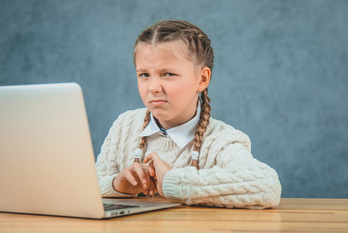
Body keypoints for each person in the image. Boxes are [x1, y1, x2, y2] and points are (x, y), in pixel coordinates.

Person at [95, 20, 281, 209]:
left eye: (168, 74)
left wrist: (174, 182)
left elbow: (268, 187)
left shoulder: (220, 141)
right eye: (144, 75)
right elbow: (87, 188)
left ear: (202, 79)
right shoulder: (125, 126)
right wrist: (116, 185)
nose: (153, 87)